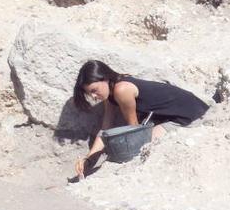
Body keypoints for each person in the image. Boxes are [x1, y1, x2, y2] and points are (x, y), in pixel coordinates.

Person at [71, 60, 208, 179]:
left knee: (143, 148)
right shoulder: (111, 93)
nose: (94, 96)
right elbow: (105, 130)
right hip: (173, 114)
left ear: (105, 78)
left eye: (94, 90)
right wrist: (88, 159)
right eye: (90, 93)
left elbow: (134, 131)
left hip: (189, 113)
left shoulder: (122, 90)